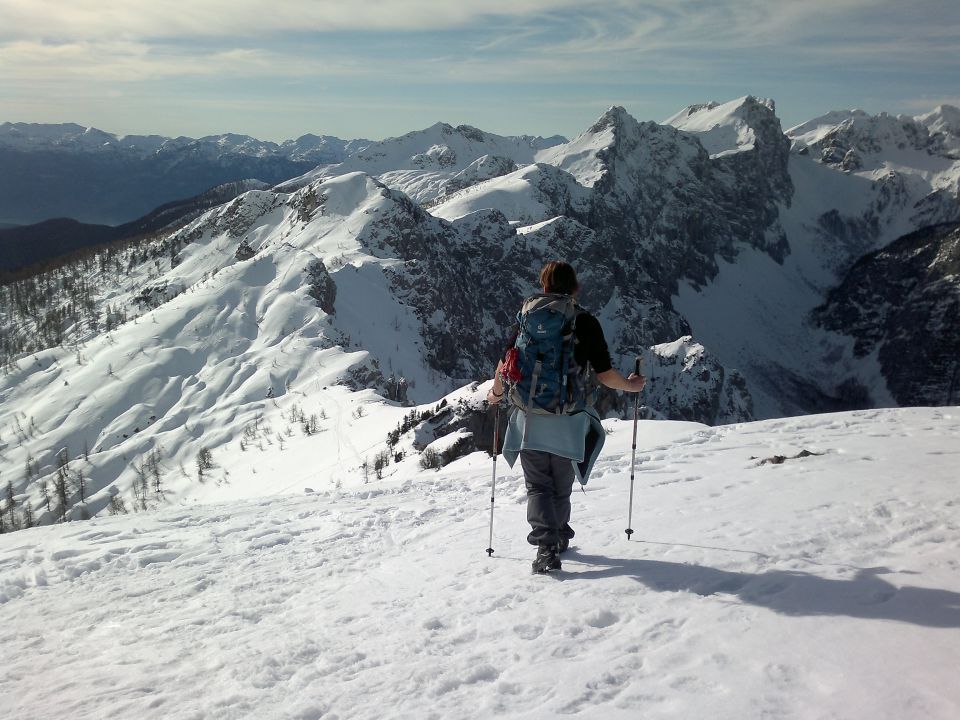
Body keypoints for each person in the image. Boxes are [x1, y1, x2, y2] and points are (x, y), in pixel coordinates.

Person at [487, 261, 646, 573]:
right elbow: (604, 374)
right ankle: (556, 538)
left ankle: (547, 545)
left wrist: (496, 394)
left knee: (538, 487)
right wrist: (631, 385)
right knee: (560, 485)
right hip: (568, 417)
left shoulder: (527, 318)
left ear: (544, 286)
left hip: (528, 417)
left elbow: (506, 363)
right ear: (575, 287)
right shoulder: (583, 321)